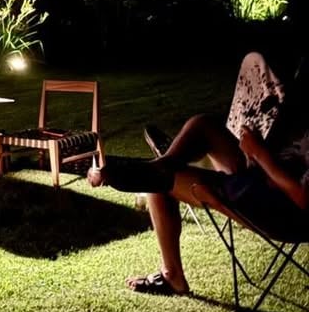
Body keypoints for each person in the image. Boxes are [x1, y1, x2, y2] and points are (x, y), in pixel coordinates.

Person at [87, 51, 308, 296]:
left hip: (282, 209)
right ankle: (165, 161)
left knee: (160, 181)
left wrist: (259, 154)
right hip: (267, 171)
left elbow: (303, 199)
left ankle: (173, 275)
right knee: (203, 126)